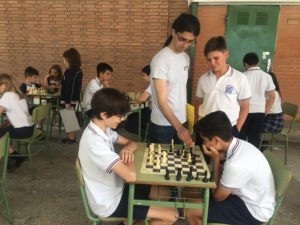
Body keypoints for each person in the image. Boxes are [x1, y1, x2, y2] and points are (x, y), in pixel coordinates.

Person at [78, 88, 178, 225]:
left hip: (119, 187)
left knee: (166, 193)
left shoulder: (103, 129)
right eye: (120, 116)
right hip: (109, 202)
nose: (123, 119)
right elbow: (131, 177)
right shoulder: (94, 142)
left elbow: (131, 143)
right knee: (172, 215)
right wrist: (129, 157)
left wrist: (128, 149)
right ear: (104, 115)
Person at [184, 111, 275, 225]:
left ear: (216, 140)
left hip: (253, 210)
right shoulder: (240, 144)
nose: (204, 145)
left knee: (190, 210)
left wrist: (216, 160)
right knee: (190, 193)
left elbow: (217, 196)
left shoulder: (235, 164)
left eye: (205, 140)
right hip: (253, 198)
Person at [149, 13, 200, 146]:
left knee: (179, 164)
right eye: (182, 39)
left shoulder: (186, 58)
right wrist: (179, 127)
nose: (185, 45)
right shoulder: (161, 60)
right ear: (173, 32)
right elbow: (161, 101)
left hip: (181, 120)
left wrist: (182, 124)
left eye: (190, 41)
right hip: (162, 125)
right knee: (161, 165)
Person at [195, 36, 251, 138]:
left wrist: (237, 129)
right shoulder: (203, 79)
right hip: (204, 129)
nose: (212, 63)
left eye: (216, 58)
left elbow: (245, 106)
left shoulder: (240, 78)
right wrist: (196, 124)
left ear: (225, 55)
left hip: (228, 130)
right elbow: (198, 102)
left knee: (226, 155)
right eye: (209, 60)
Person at [240, 52, 275, 148]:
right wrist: (265, 111)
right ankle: (254, 159)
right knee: (254, 138)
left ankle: (241, 159)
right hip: (259, 112)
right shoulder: (267, 76)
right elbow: (272, 96)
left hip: (244, 111)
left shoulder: (241, 76)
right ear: (258, 62)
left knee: (241, 137)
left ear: (245, 64)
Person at [0, 73, 34, 168]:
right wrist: (4, 124)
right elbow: (17, 115)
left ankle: (14, 156)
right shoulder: (18, 95)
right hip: (29, 129)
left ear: (5, 85)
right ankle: (14, 156)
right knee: (2, 130)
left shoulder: (7, 95)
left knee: (1, 133)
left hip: (22, 131)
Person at [60, 48, 83, 144]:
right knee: (68, 118)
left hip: (70, 100)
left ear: (69, 59)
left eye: (64, 59)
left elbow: (71, 87)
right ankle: (70, 137)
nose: (63, 61)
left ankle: (72, 138)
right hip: (67, 98)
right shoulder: (69, 71)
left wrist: (68, 102)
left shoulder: (75, 71)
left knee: (70, 118)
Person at [124, 65, 152, 137]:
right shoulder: (153, 84)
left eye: (144, 75)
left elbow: (141, 99)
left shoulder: (153, 84)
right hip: (150, 110)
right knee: (131, 116)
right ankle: (147, 132)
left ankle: (148, 136)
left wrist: (128, 102)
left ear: (150, 75)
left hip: (153, 113)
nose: (142, 77)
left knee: (128, 125)